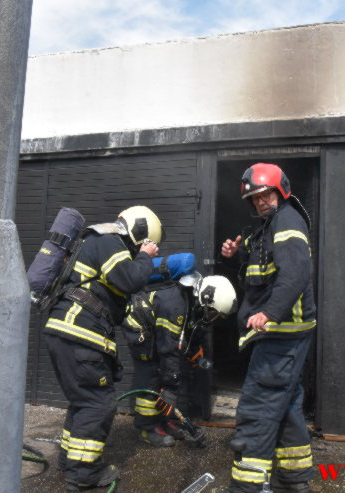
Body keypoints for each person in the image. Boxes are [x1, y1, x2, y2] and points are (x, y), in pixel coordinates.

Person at [44, 205, 162, 491]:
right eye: (142, 245)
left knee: (83, 401)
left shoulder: (98, 242)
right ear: (141, 233)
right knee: (99, 403)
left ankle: (70, 460)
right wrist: (145, 258)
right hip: (79, 334)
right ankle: (84, 474)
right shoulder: (111, 241)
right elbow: (129, 278)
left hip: (66, 332)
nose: (138, 252)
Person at [215, 163, 316, 493]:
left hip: (281, 333)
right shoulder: (268, 227)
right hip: (282, 332)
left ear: (281, 190)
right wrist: (232, 254)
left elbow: (295, 274)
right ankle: (294, 479)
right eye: (254, 198)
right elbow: (258, 264)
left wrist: (270, 312)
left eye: (265, 195)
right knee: (285, 404)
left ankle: (247, 486)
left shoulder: (287, 222)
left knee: (258, 408)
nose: (260, 202)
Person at [121, 254, 238, 447]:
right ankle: (147, 427)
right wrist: (170, 386)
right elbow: (169, 350)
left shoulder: (190, 300)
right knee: (151, 374)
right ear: (206, 299)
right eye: (212, 312)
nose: (211, 318)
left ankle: (165, 420)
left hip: (157, 331)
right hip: (141, 332)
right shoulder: (175, 305)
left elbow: (185, 333)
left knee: (168, 376)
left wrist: (193, 352)